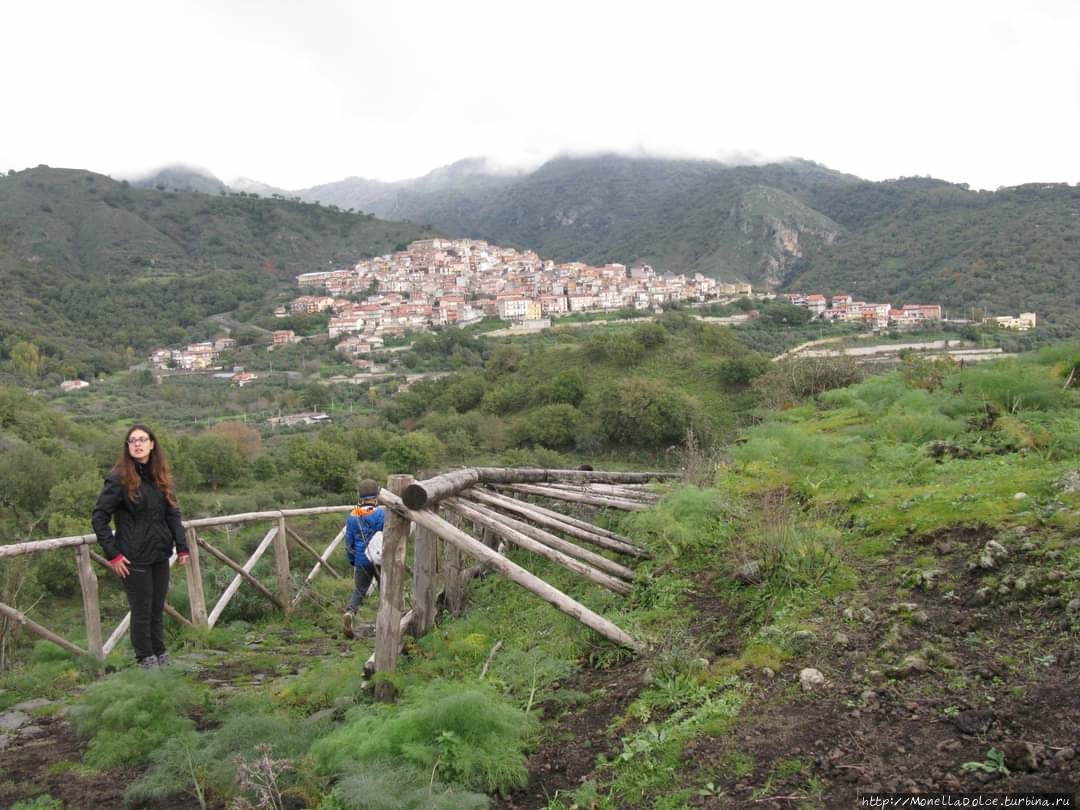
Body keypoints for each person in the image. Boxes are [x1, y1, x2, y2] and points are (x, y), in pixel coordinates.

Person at [91, 424, 189, 668]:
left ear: (152, 444)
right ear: (128, 446)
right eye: (132, 440)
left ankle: (161, 655)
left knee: (157, 609)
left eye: (142, 439)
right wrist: (113, 554)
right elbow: (99, 517)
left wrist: (182, 545)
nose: (137, 444)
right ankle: (146, 659)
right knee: (142, 611)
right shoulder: (118, 478)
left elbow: (173, 514)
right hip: (133, 557)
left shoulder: (159, 476)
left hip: (159, 553)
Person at [342, 478, 384, 639]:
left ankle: (350, 612)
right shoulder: (381, 513)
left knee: (359, 589)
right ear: (376, 496)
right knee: (384, 590)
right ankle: (384, 620)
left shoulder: (353, 515)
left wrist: (353, 559)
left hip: (361, 559)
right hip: (379, 558)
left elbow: (349, 542)